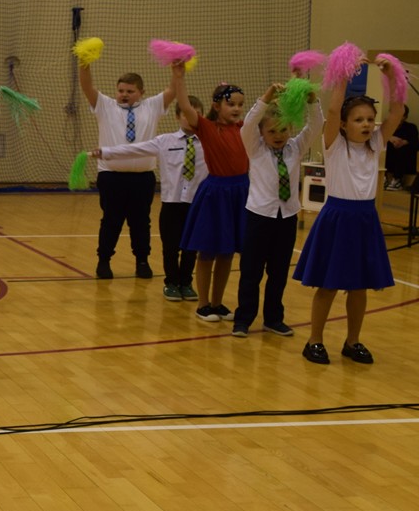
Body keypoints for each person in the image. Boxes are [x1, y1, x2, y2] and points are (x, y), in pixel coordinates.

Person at [295, 53, 401, 366]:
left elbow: (397, 111)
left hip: (365, 219)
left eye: (369, 119)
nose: (366, 124)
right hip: (338, 218)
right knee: (328, 284)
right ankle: (315, 340)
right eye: (358, 119)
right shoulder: (334, 145)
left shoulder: (376, 145)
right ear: (343, 124)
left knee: (359, 286)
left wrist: (392, 77)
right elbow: (332, 108)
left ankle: (352, 341)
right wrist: (343, 73)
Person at [91, 95, 206, 302]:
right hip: (172, 202)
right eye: (186, 114)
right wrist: (107, 152)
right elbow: (135, 149)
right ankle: (171, 282)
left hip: (196, 202)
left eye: (196, 114)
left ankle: (186, 282)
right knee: (171, 246)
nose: (191, 118)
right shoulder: (165, 141)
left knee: (191, 246)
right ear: (177, 116)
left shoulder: (209, 142)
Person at [231, 84, 322, 338]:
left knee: (279, 272)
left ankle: (273, 318)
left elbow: (316, 125)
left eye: (283, 129)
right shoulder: (255, 148)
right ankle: (243, 319)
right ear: (262, 133)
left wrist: (312, 101)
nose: (278, 135)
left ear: (290, 129)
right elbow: (249, 124)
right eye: (271, 131)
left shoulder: (296, 148)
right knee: (251, 271)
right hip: (259, 217)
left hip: (286, 218)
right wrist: (267, 97)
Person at [80, 61, 174, 279]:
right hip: (111, 177)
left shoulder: (152, 106)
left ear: (141, 92)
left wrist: (177, 71)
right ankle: (104, 261)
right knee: (111, 221)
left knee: (141, 222)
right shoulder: (105, 106)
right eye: (121, 91)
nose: (124, 95)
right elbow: (87, 87)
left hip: (142, 178)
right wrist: (84, 63)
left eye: (130, 91)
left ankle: (142, 261)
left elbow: (172, 91)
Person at [171, 64, 250, 322]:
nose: (237, 109)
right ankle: (203, 304)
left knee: (227, 253)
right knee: (207, 252)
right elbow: (185, 106)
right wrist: (179, 77)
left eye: (240, 104)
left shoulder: (244, 129)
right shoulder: (206, 127)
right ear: (217, 106)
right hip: (216, 195)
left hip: (240, 194)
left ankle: (218, 302)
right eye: (231, 104)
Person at [383, 105, 419, 191]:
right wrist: (390, 138)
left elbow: (414, 142)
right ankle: (384, 177)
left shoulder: (411, 127)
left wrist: (404, 142)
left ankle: (397, 179)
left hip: (404, 153)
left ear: (405, 117)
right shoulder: (385, 126)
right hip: (390, 151)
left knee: (403, 150)